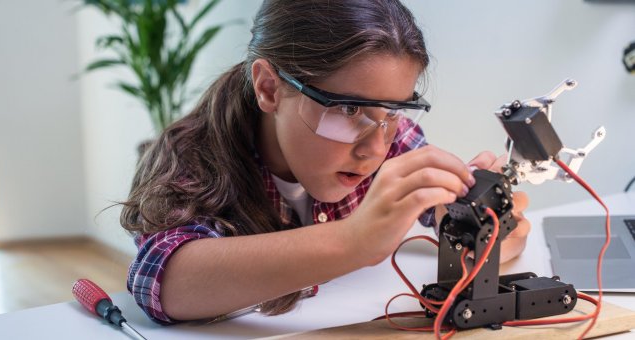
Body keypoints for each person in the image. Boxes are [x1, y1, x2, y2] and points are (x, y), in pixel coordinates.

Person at [120, 0, 531, 324]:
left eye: (392, 112)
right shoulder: (191, 157)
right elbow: (161, 281)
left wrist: (471, 231)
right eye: (350, 110)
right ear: (269, 88)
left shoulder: (392, 137)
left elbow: (447, 220)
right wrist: (354, 241)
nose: (374, 148)